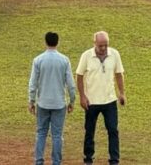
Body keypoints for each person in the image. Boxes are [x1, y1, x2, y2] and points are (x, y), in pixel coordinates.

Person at [76, 31, 126, 165]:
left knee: (113, 130)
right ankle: (88, 158)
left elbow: (119, 74)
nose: (103, 48)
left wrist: (121, 93)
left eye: (105, 45)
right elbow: (79, 76)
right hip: (91, 101)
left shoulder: (114, 54)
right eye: (100, 46)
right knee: (89, 131)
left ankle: (114, 160)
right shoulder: (86, 56)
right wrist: (82, 96)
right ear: (94, 44)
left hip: (109, 100)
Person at [28, 32, 76, 165]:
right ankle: (56, 162)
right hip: (59, 103)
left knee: (41, 133)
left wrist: (31, 101)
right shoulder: (64, 60)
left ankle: (39, 161)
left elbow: (33, 84)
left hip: (43, 103)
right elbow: (71, 85)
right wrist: (72, 101)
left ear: (45, 42)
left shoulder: (38, 60)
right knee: (57, 135)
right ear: (57, 42)